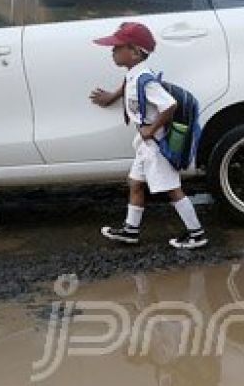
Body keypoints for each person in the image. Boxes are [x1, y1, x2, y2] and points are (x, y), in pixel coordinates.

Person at [89, 22, 208, 249]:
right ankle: (130, 231)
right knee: (135, 183)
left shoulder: (145, 80)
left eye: (117, 47)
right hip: (145, 145)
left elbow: (169, 105)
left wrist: (151, 130)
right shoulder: (134, 76)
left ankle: (197, 233)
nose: (112, 51)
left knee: (173, 189)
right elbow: (128, 86)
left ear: (134, 52)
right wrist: (112, 97)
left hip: (155, 145)